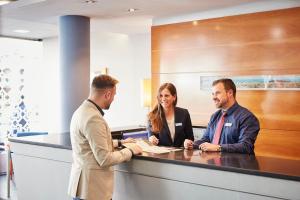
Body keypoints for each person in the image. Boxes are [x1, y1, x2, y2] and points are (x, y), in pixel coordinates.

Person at [68, 74, 142, 200]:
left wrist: (119, 142)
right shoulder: (93, 118)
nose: (113, 99)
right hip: (93, 191)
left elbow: (90, 144)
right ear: (107, 94)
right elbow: (105, 159)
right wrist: (130, 150)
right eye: (114, 95)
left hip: (83, 189)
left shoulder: (81, 111)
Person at [184, 78, 260, 154]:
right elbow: (206, 139)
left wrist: (218, 147)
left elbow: (246, 146)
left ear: (230, 93)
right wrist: (192, 144)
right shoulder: (215, 116)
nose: (213, 98)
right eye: (213, 94)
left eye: (217, 93)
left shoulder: (247, 117)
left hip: (235, 165)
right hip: (212, 164)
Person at [147, 83, 194, 147]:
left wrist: (187, 143)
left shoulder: (184, 113)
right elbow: (151, 137)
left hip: (181, 155)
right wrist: (152, 139)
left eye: (166, 95)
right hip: (161, 155)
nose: (163, 98)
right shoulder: (152, 116)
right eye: (161, 96)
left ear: (174, 97)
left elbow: (190, 138)